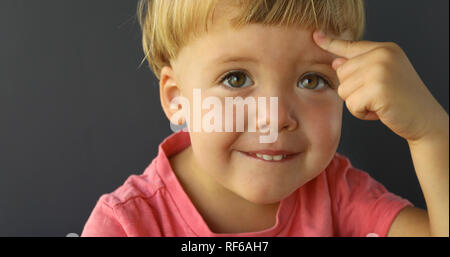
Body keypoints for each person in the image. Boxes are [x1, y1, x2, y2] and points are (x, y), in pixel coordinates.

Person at [81, 0, 449, 237]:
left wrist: (432, 135)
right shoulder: (126, 226)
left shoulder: (336, 192)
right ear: (177, 98)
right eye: (236, 79)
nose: (275, 119)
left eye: (312, 80)